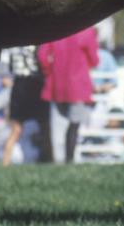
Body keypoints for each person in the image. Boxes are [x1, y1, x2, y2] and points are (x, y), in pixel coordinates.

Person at [38, 27, 99, 163]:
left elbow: (43, 55)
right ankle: (69, 160)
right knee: (74, 125)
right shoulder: (86, 31)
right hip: (78, 86)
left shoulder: (55, 29)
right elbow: (94, 60)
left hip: (57, 85)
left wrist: (49, 71)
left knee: (58, 127)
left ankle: (57, 159)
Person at [2, 45, 51, 165]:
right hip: (35, 84)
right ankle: (48, 159)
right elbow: (44, 61)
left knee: (16, 129)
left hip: (19, 85)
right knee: (44, 127)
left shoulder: (12, 44)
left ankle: (5, 163)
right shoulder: (38, 43)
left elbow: (6, 67)